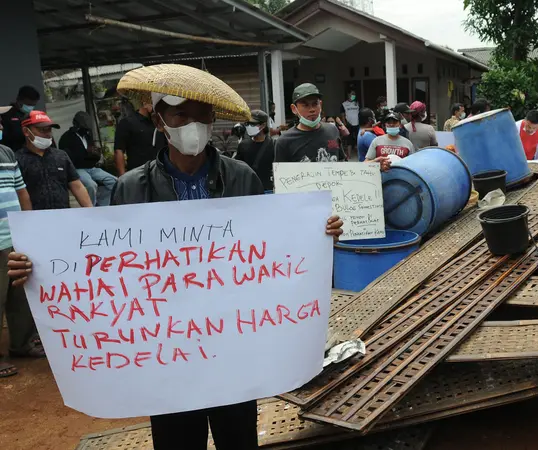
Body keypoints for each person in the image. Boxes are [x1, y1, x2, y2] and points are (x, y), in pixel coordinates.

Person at [7, 63, 344, 450]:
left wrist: (319, 232)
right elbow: (109, 266)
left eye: (202, 115)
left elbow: (272, 247)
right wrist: (38, 265)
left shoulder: (242, 178)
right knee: (176, 441)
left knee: (238, 438)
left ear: (214, 120)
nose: (192, 124)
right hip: (166, 353)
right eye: (180, 113)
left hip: (234, 345)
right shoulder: (131, 187)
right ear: (160, 118)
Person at [0, 107, 36, 378]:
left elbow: (20, 190)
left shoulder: (7, 153)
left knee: (19, 295)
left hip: (13, 237)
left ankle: (21, 344)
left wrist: (28, 227)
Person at [15, 111, 93, 210]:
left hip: (63, 215)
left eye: (49, 130)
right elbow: (19, 193)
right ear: (26, 131)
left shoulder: (61, 156)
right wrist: (28, 219)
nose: (47, 134)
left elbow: (77, 185)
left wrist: (90, 211)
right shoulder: (18, 159)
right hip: (35, 218)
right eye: (42, 130)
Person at [275, 83, 346, 163]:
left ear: (321, 104)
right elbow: (281, 173)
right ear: (294, 109)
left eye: (315, 104)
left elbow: (340, 160)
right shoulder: (284, 142)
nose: (312, 109)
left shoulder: (332, 130)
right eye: (305, 105)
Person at [58, 111, 117, 206]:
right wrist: (85, 153)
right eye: (83, 127)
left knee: (114, 181)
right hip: (78, 169)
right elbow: (66, 158)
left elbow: (93, 157)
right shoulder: (66, 138)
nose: (85, 130)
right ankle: (90, 207)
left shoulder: (87, 136)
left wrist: (96, 154)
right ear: (76, 124)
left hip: (92, 168)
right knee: (91, 185)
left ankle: (103, 204)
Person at [114, 97, 165, 175]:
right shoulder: (127, 123)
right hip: (139, 173)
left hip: (161, 171)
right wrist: (122, 176)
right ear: (145, 104)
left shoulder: (160, 123)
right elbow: (119, 150)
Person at [236, 109, 275, 191]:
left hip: (269, 190)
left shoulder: (274, 145)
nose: (249, 126)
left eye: (252, 124)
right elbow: (238, 169)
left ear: (263, 125)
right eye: (247, 123)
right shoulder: (243, 145)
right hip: (249, 190)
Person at [1, 86, 40, 151]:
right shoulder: (6, 115)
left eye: (33, 105)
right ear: (19, 100)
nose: (30, 108)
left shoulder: (32, 116)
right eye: (28, 104)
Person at [340, 88, 360, 155]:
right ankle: (349, 155)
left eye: (354, 94)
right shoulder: (344, 104)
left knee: (358, 139)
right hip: (349, 124)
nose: (354, 95)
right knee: (349, 140)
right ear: (348, 94)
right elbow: (342, 115)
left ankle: (358, 153)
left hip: (357, 124)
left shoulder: (357, 103)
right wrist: (344, 124)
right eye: (352, 94)